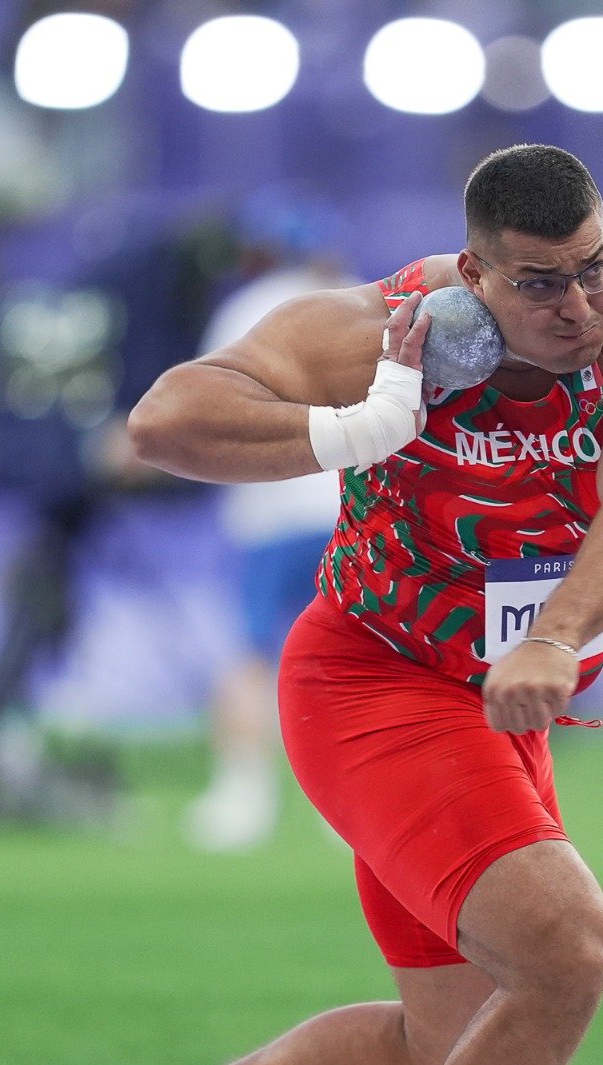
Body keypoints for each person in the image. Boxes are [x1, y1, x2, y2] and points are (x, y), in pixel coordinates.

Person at [128, 144, 603, 1065]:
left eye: (594, 267)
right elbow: (164, 422)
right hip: (375, 683)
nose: (581, 306)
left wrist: (557, 636)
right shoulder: (382, 330)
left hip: (507, 698)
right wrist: (360, 427)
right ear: (475, 276)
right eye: (541, 284)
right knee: (564, 949)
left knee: (436, 1045)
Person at [185, 198, 350, 852]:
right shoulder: (359, 303)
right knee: (350, 655)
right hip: (349, 507)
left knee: (252, 653)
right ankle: (348, 802)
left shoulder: (243, 310)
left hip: (270, 509)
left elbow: (201, 410)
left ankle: (241, 796)